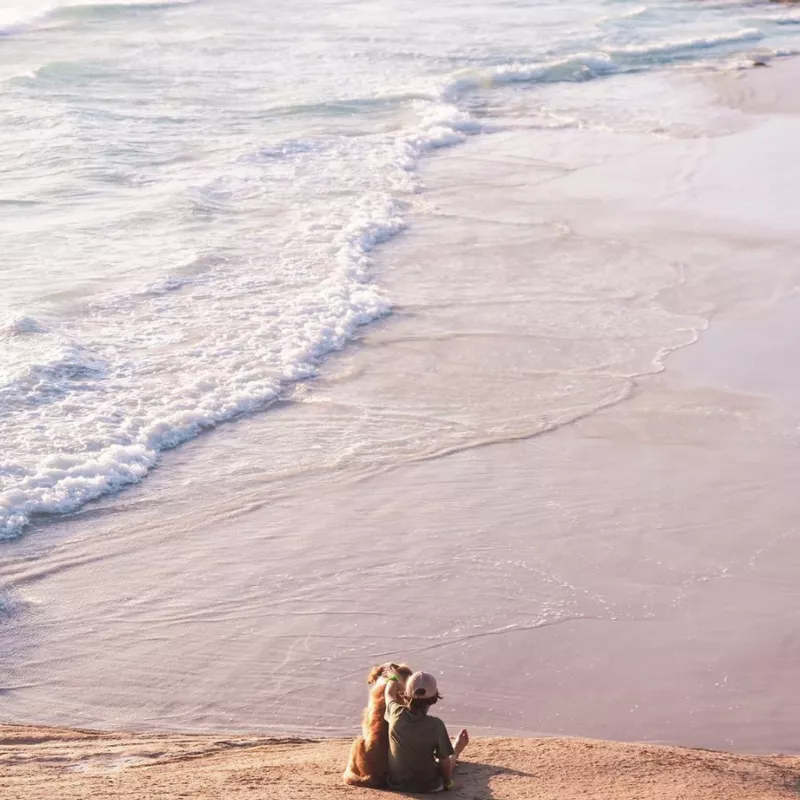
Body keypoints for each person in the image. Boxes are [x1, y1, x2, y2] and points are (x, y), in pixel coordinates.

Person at [384, 669, 469, 793]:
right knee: (448, 759)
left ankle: (455, 750)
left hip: (397, 784)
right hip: (429, 786)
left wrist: (393, 678)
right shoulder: (436, 725)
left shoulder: (396, 713)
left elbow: (389, 694)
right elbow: (444, 761)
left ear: (406, 695)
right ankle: (456, 749)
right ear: (434, 698)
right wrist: (448, 783)